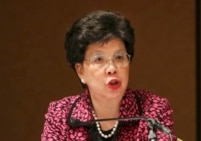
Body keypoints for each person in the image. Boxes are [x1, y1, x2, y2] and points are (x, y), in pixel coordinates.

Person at [41, 10, 177, 141]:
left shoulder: (153, 110)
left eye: (119, 57)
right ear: (80, 70)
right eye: (99, 59)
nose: (112, 68)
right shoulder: (60, 114)